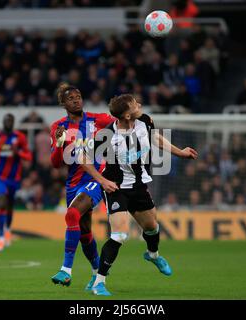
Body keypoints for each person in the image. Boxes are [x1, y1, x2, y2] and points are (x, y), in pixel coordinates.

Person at [80, 94, 198, 296]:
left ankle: (153, 255)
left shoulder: (145, 121)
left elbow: (154, 137)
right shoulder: (107, 135)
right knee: (119, 234)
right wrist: (102, 181)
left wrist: (179, 152)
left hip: (139, 186)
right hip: (116, 188)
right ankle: (99, 283)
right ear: (127, 114)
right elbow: (83, 158)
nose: (139, 105)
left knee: (152, 227)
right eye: (135, 104)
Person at [50, 83, 115, 290]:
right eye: (71, 98)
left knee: (71, 215)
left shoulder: (99, 120)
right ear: (63, 103)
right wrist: (59, 144)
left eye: (78, 96)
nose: (76, 100)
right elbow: (55, 163)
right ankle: (97, 273)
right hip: (74, 184)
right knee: (85, 233)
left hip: (96, 178)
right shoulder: (59, 126)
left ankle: (66, 271)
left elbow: (122, 123)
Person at [0, 113, 32, 251]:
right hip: (0, 176)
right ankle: (0, 237)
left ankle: (7, 229)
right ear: (3, 122)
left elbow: (28, 156)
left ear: (13, 122)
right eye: (6, 120)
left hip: (14, 178)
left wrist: (19, 153)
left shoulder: (20, 137)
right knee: (1, 201)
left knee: (10, 205)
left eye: (10, 120)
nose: (8, 122)